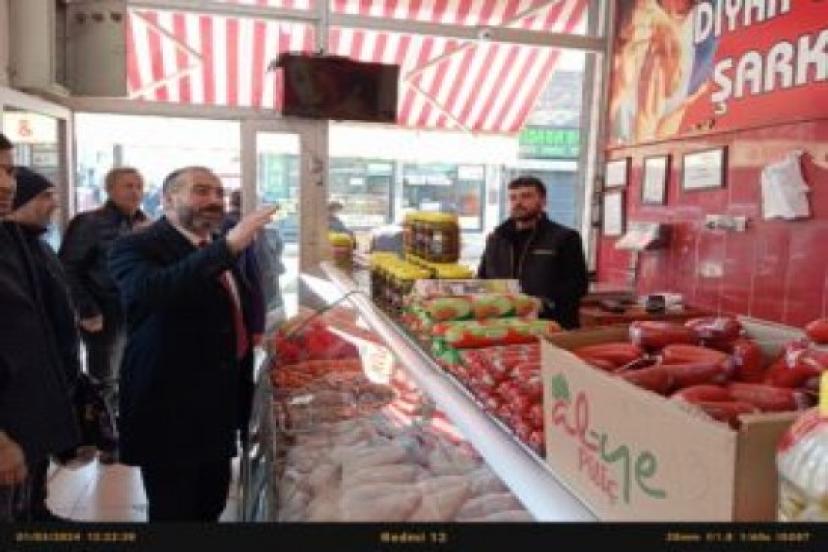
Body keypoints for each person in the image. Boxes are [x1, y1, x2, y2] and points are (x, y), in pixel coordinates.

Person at [109, 166, 275, 521]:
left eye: (218, 192)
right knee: (174, 510)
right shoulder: (135, 245)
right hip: (170, 406)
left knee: (211, 502)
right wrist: (231, 245)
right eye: (201, 191)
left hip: (218, 402)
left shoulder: (216, 244)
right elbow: (156, 291)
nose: (214, 200)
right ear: (169, 200)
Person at [0, 135, 80, 522]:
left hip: (28, 408)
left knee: (26, 506)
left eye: (9, 170)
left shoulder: (14, 240)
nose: (6, 183)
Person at [59, 167, 147, 463]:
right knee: (104, 379)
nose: (135, 191)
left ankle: (127, 433)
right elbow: (67, 269)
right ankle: (106, 441)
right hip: (103, 311)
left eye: (138, 186)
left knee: (131, 374)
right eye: (127, 186)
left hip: (135, 311)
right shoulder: (89, 223)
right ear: (110, 190)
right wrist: (86, 309)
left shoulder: (145, 222)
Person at [477, 176, 588, 330]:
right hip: (503, 325)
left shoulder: (566, 238)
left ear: (543, 201)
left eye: (526, 196)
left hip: (551, 326)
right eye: (513, 197)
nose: (518, 202)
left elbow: (577, 286)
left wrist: (544, 304)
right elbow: (482, 281)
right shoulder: (496, 239)